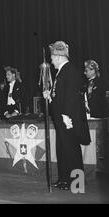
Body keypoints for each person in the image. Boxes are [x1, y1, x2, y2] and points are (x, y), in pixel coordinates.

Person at [43, 41, 91, 190]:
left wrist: (66, 115)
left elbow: (71, 96)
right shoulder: (61, 72)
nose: (51, 61)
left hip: (67, 119)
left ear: (58, 56)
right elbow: (60, 95)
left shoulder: (70, 70)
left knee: (72, 150)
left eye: (52, 57)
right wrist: (49, 96)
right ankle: (64, 179)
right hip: (61, 118)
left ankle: (77, 182)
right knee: (62, 150)